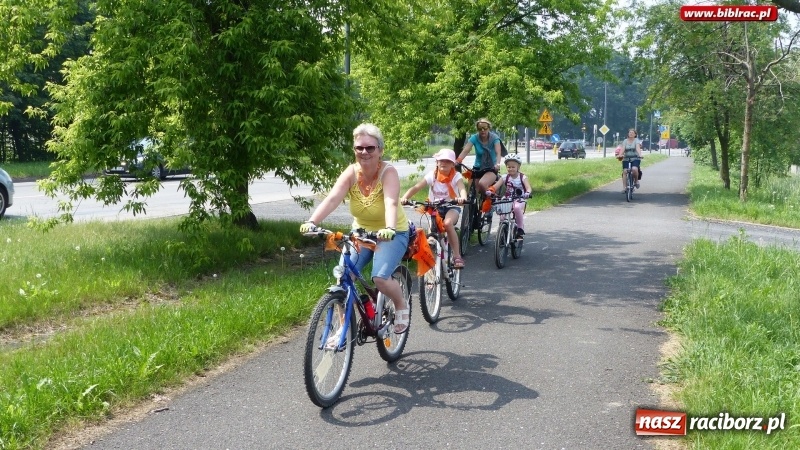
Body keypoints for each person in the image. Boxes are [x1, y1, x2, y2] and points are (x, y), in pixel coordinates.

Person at [300, 123, 411, 334]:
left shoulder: (389, 172)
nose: (364, 152)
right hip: (361, 233)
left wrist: (388, 227)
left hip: (391, 233)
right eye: (359, 148)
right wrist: (312, 221)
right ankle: (343, 330)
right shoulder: (351, 172)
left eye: (370, 148)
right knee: (343, 279)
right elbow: (333, 198)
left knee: (379, 277)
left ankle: (400, 305)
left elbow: (391, 203)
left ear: (380, 150)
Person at [400, 148, 468, 268]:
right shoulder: (433, 175)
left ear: (452, 164)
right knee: (431, 236)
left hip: (451, 207)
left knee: (447, 223)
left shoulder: (456, 176)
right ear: (437, 162)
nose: (443, 163)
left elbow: (462, 188)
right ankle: (431, 270)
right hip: (434, 208)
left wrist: (462, 198)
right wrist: (404, 198)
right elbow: (416, 187)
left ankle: (457, 257)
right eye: (441, 160)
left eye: (447, 161)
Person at [455, 118, 502, 211]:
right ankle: (471, 214)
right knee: (471, 192)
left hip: (491, 168)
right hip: (478, 168)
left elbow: (498, 152)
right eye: (480, 129)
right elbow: (466, 150)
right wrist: (458, 160)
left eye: (485, 128)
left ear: (489, 128)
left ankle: (489, 203)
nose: (482, 131)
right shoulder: (474, 138)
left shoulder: (494, 138)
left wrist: (498, 164)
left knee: (482, 184)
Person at [486, 153, 532, 238]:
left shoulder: (522, 177)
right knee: (502, 214)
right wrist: (490, 190)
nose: (510, 169)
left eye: (513, 167)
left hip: (519, 199)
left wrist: (527, 193)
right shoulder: (504, 177)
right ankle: (503, 231)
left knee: (517, 208)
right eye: (508, 167)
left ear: (518, 167)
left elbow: (528, 188)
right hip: (508, 198)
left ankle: (520, 228)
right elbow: (495, 186)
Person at [618, 128, 643, 192]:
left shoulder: (636, 140)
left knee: (634, 169)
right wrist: (620, 155)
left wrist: (640, 155)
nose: (631, 134)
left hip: (635, 158)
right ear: (628, 134)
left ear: (635, 134)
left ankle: (636, 181)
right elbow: (623, 149)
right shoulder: (625, 141)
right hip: (626, 158)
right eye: (630, 132)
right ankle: (624, 188)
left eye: (632, 133)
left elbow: (637, 148)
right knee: (625, 171)